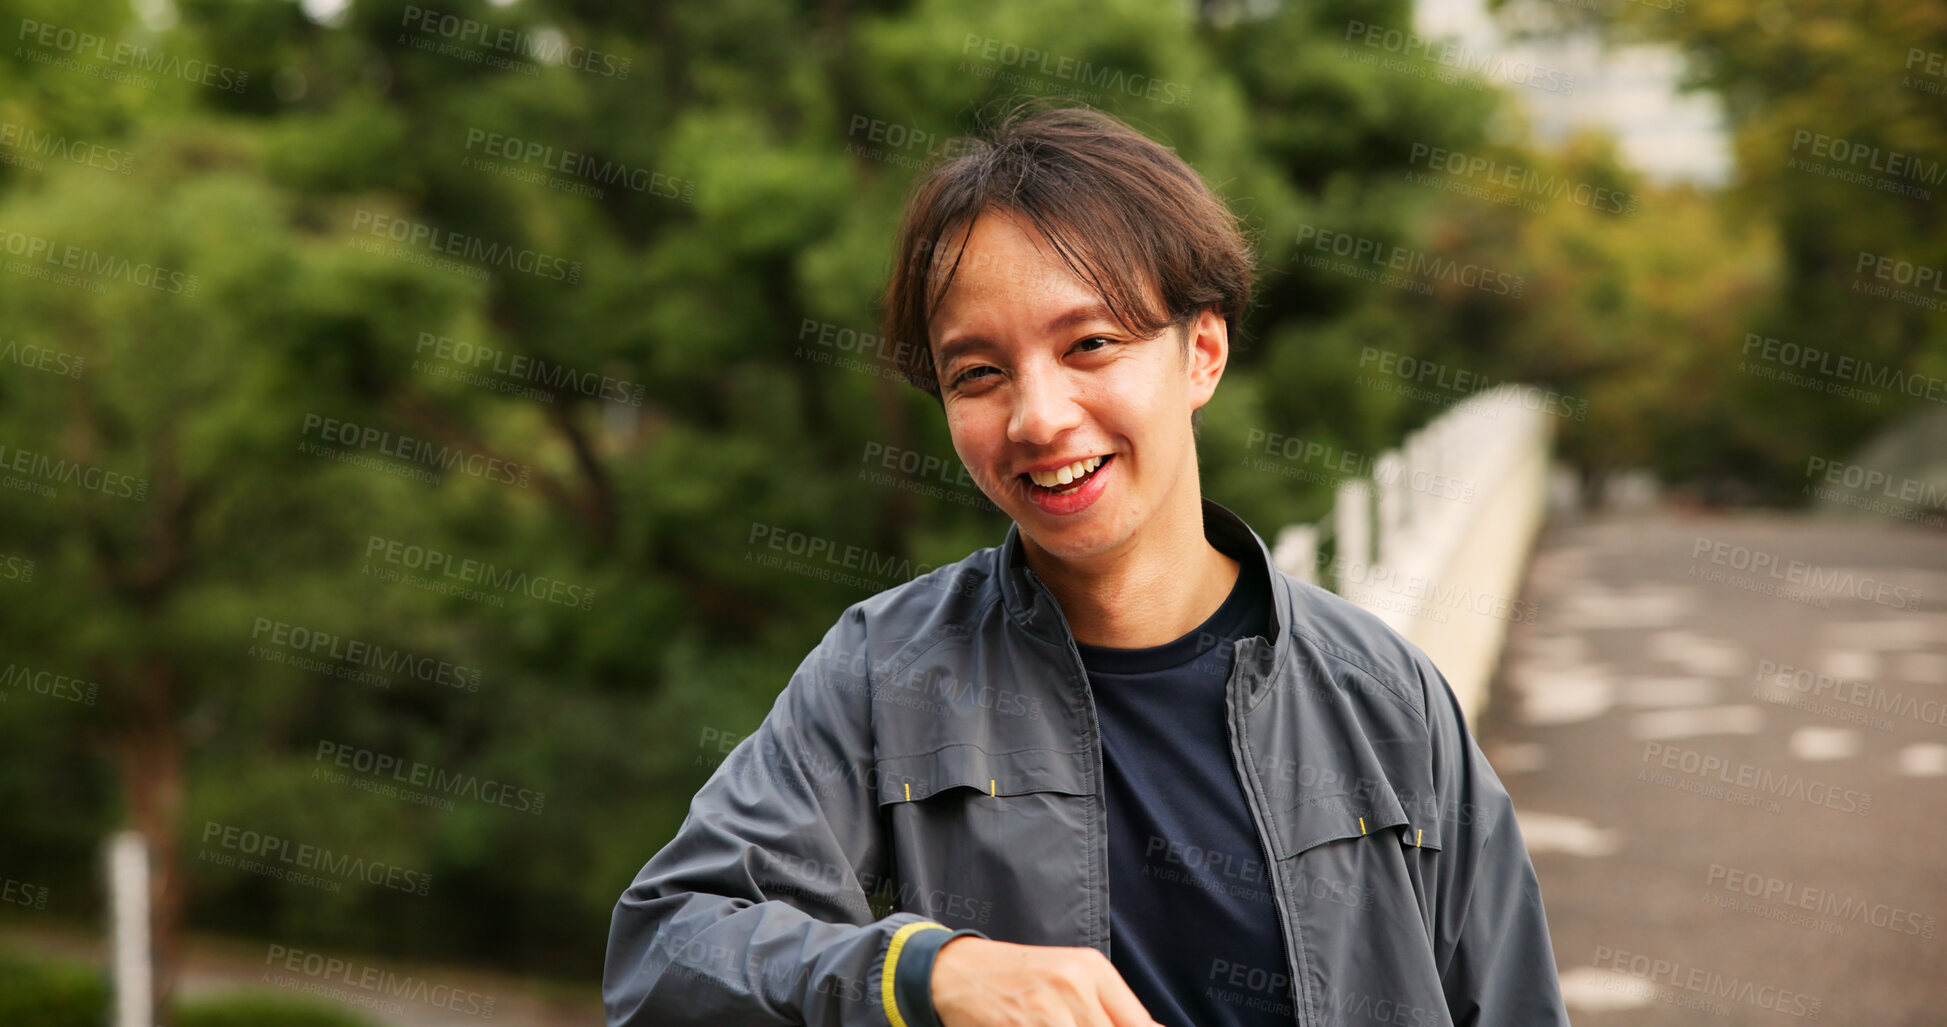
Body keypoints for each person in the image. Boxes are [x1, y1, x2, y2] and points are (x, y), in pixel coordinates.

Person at [604, 103, 1571, 1027]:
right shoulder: (886, 671)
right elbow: (663, 953)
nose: (1037, 417)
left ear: (1201, 352)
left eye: (1091, 344)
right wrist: (928, 973)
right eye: (978, 373)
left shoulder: (1382, 694)